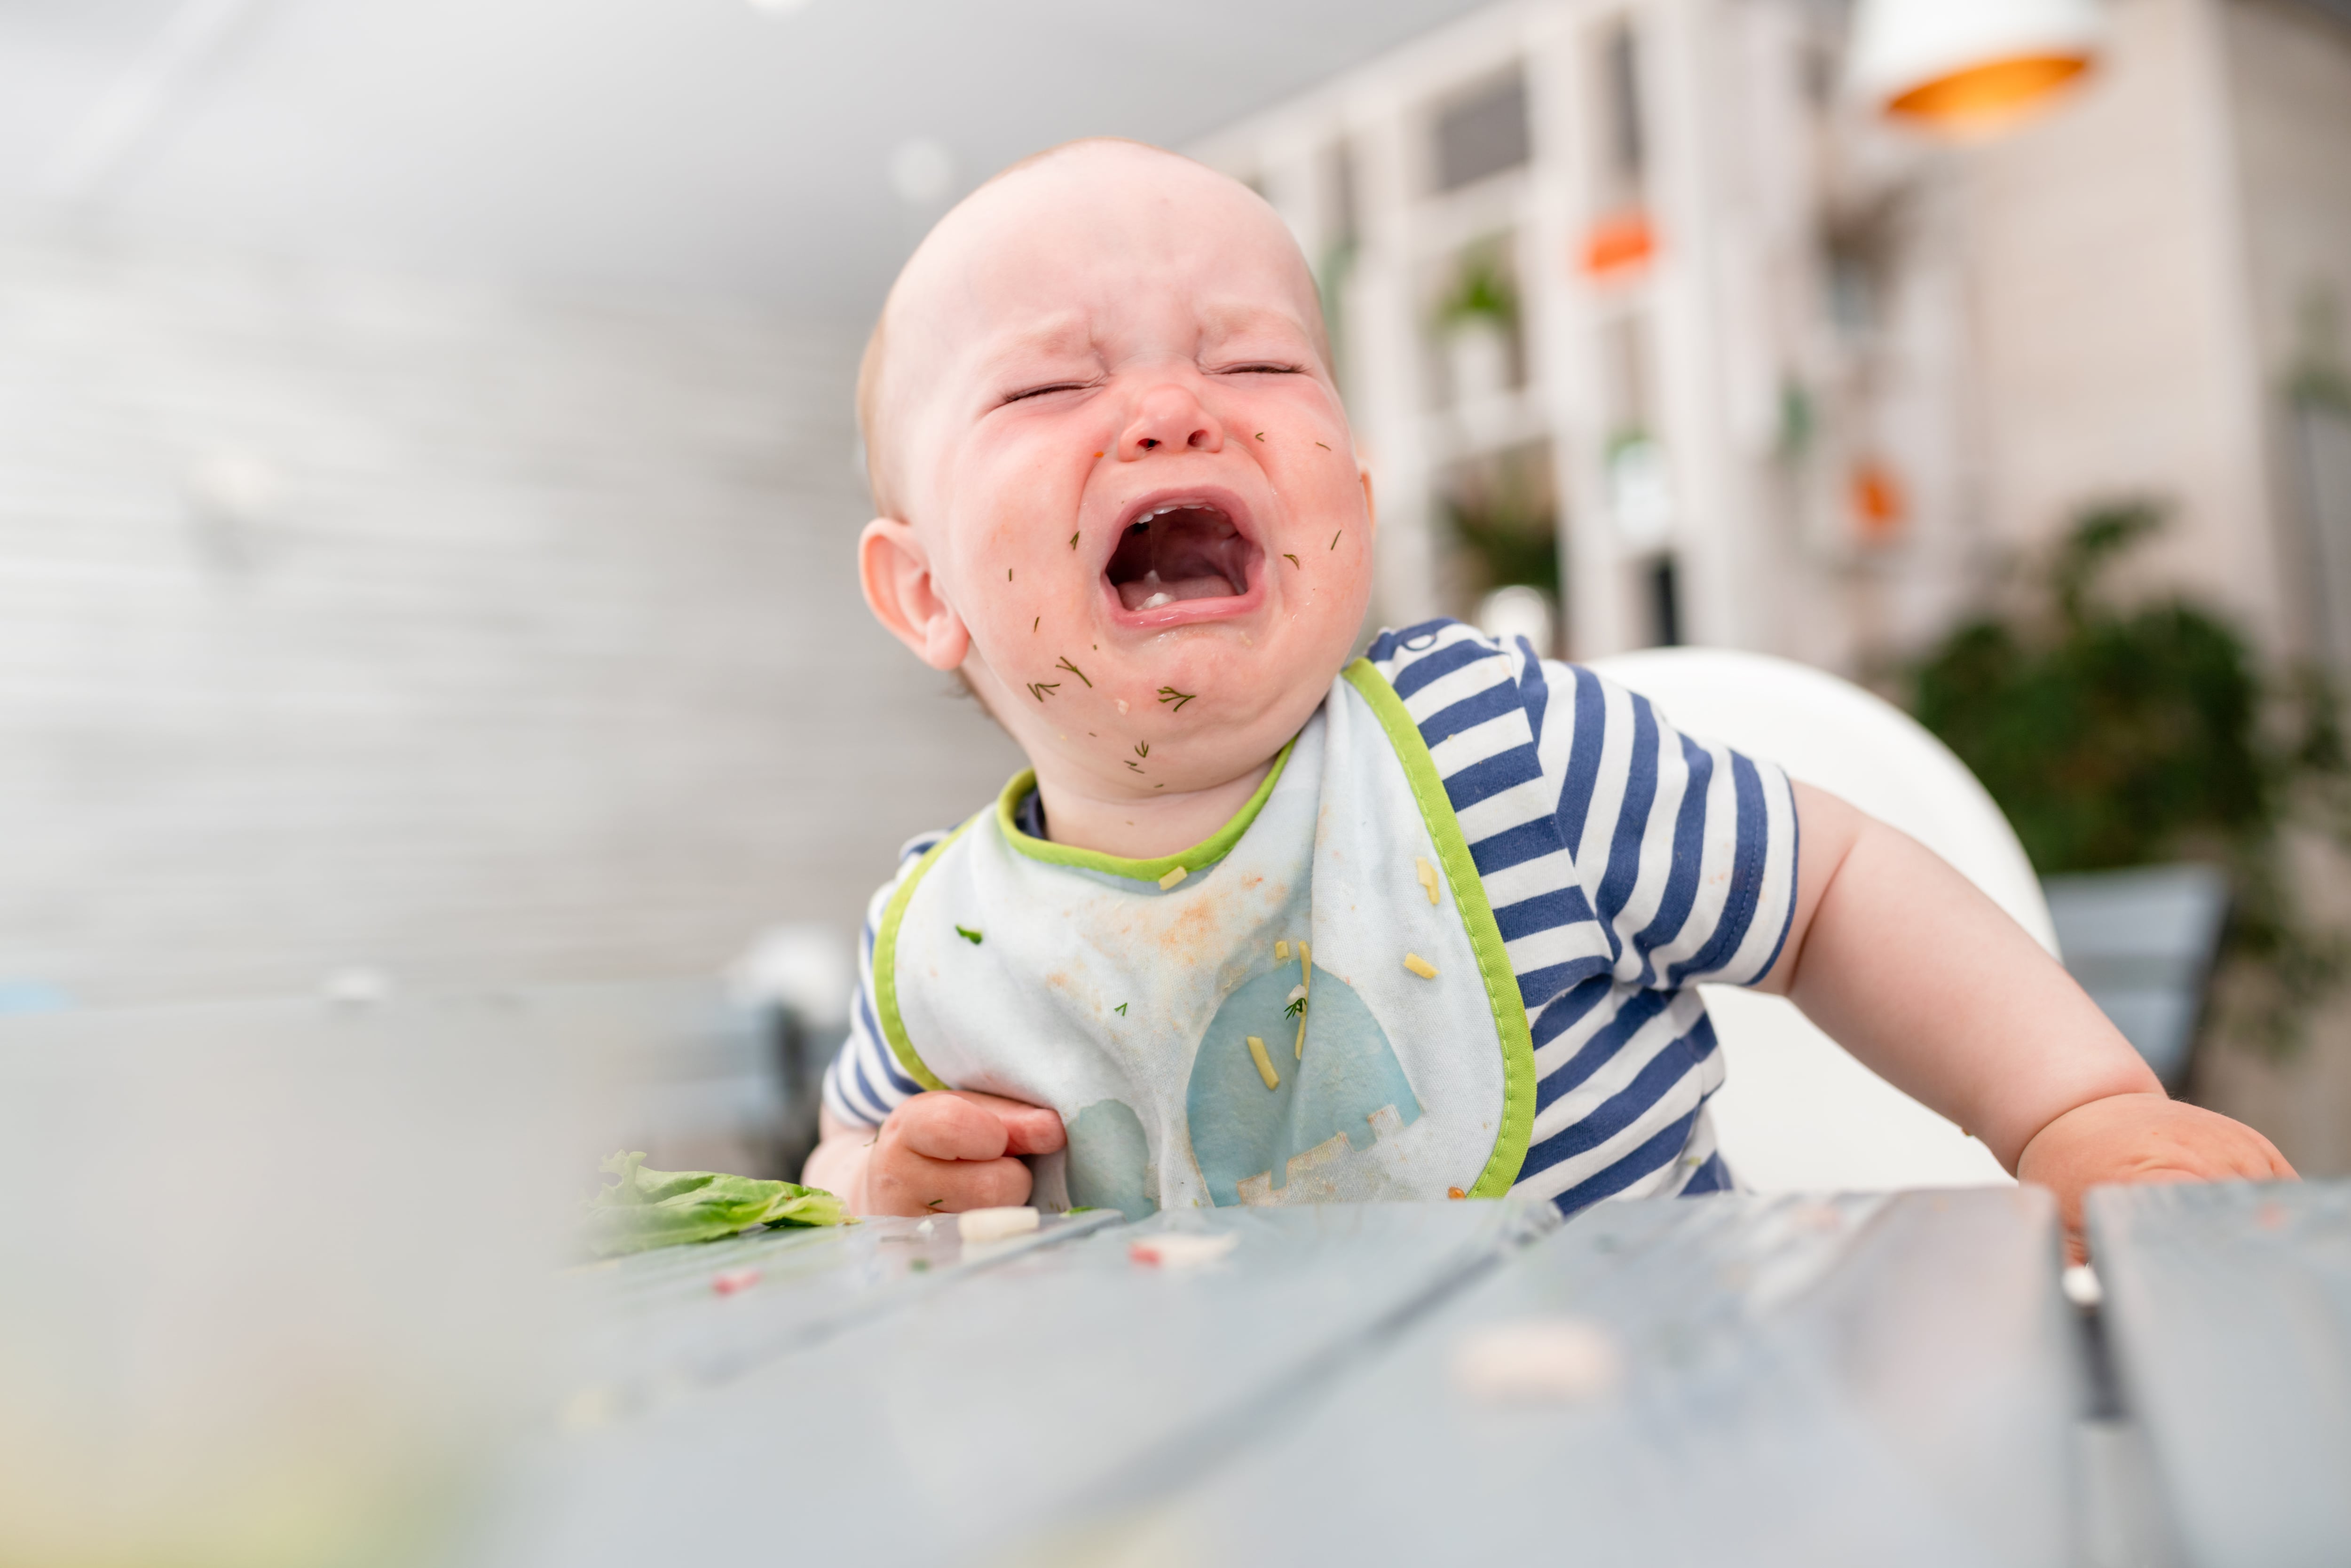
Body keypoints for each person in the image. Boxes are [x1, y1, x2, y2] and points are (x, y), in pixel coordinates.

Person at [802, 138, 2290, 1255]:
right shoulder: (944, 944)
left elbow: (1828, 892)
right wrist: (878, 1184)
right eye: (1050, 390)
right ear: (924, 593)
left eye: (1255, 360)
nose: (1175, 407)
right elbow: (840, 1151)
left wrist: (2075, 1107)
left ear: (1354, 512)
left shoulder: (1498, 754)